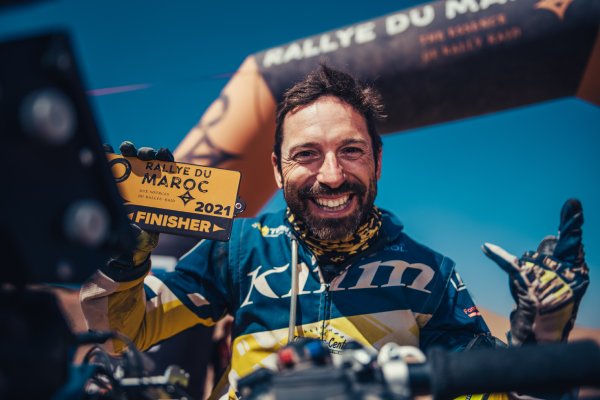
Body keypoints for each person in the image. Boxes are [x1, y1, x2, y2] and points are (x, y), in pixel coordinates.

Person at [81, 65, 588, 399]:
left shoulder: (429, 273)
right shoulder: (242, 247)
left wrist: (541, 333)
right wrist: (123, 261)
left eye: (351, 150)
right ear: (277, 170)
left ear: (377, 162)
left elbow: (492, 394)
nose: (331, 175)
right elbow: (128, 333)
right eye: (306, 154)